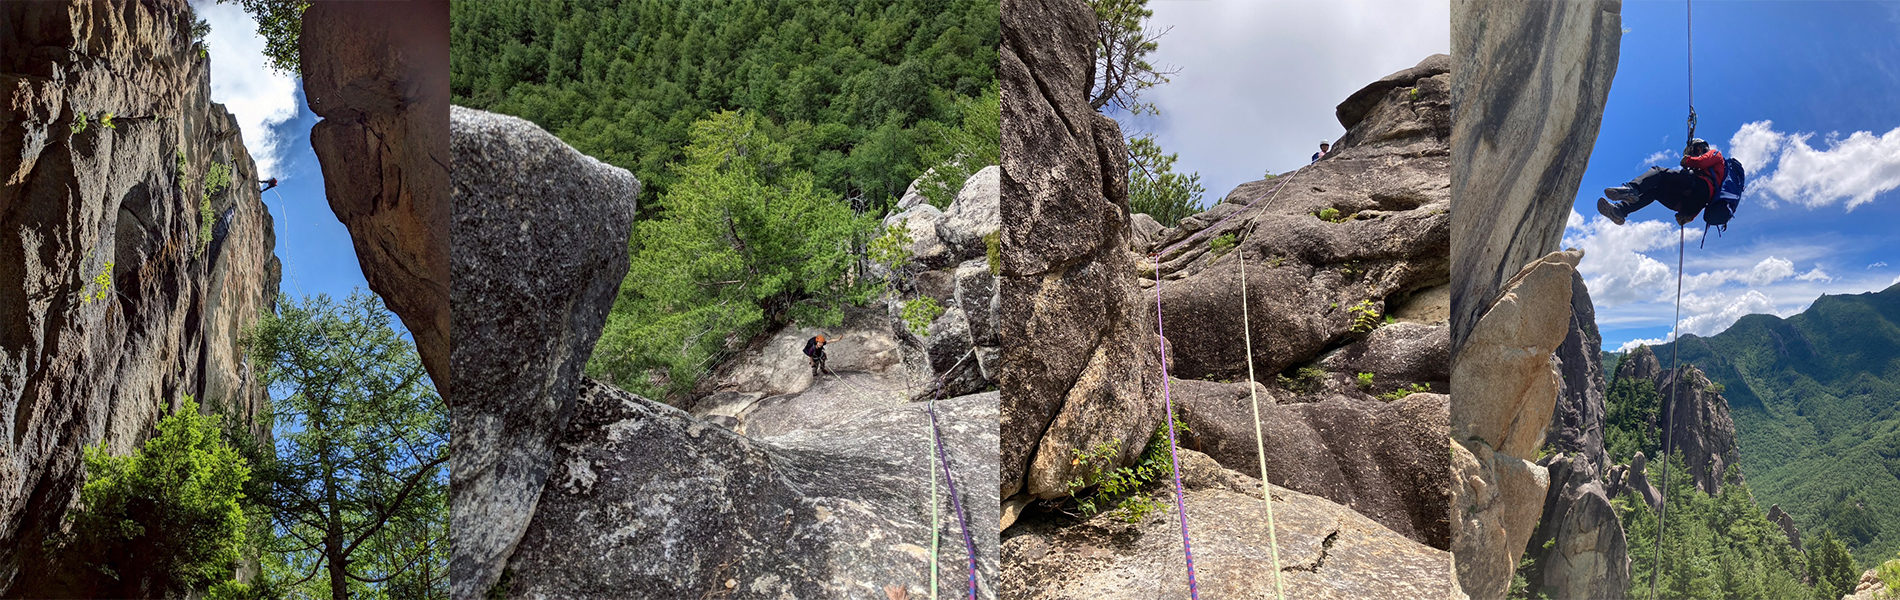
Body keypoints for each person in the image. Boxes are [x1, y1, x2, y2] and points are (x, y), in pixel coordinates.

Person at [1597, 138, 1728, 226]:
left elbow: (1701, 161)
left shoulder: (1716, 154)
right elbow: (1702, 200)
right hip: (1689, 204)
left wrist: (1687, 160)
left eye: (1694, 151)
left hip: (1698, 187)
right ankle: (1620, 211)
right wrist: (1688, 216)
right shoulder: (1706, 175)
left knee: (1659, 172)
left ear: (1699, 148)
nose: (1694, 154)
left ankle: (1632, 189)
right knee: (1655, 191)